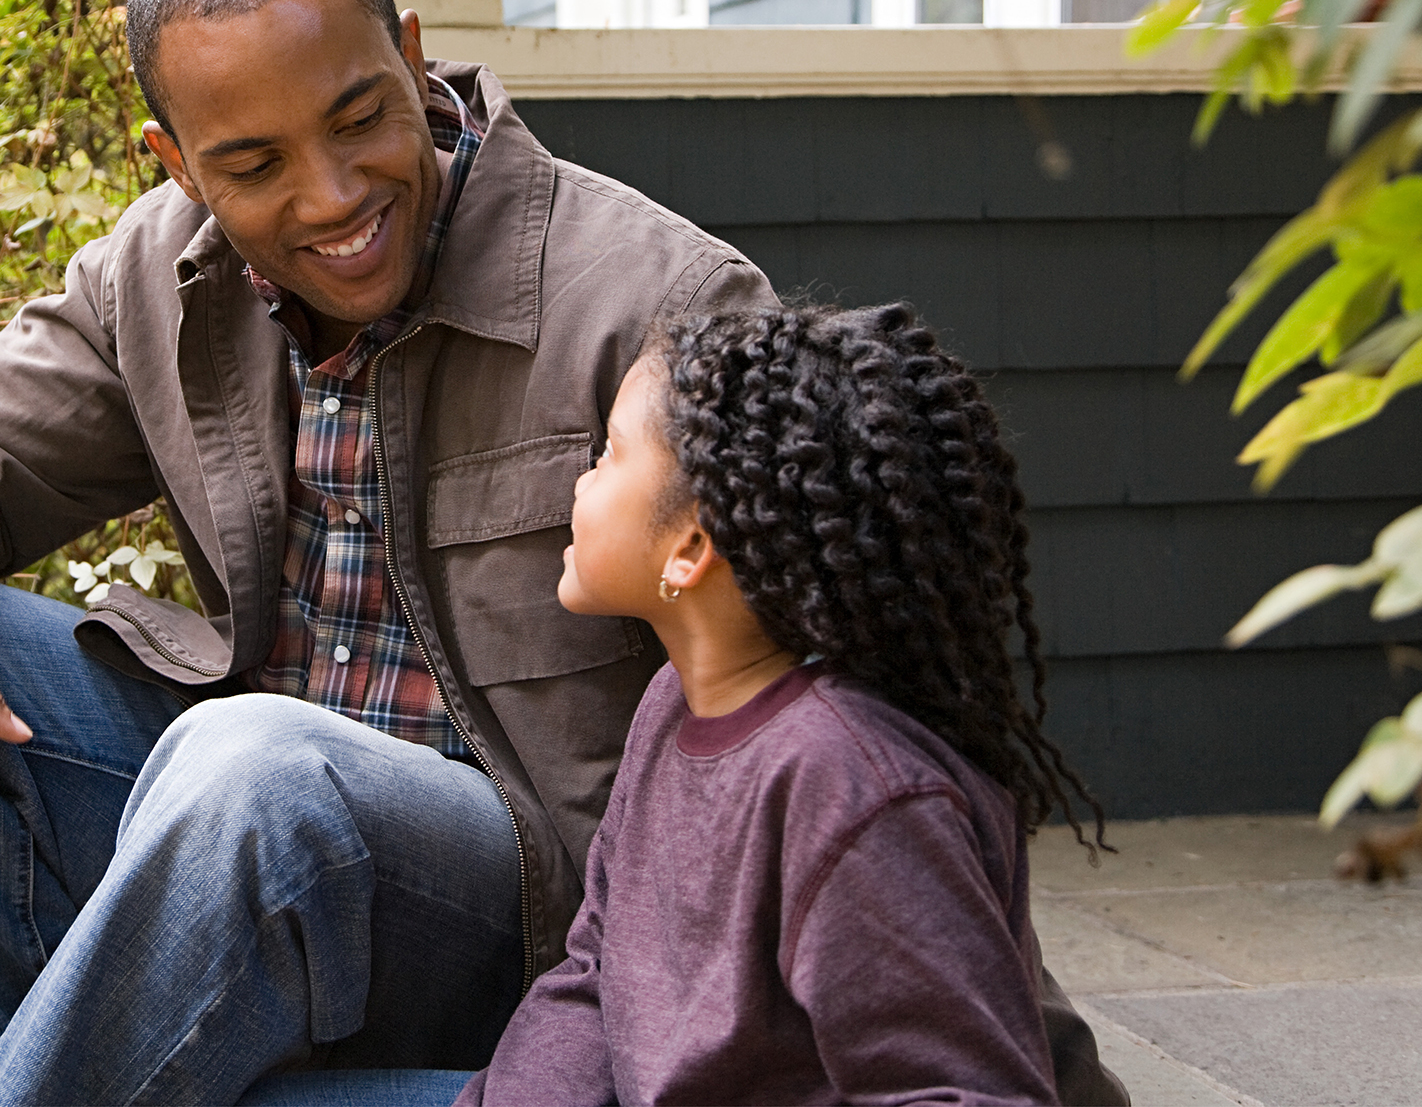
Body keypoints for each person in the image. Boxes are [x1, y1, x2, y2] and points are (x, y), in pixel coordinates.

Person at [0, 0, 1127, 1106]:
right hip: (257, 874)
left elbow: (871, 732)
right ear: (177, 162)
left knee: (255, 773)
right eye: (252, 164)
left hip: (543, 937)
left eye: (361, 116)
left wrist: (1022, 1057)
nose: (333, 193)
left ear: (413, 56)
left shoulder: (656, 306)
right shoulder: (159, 282)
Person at [441, 304, 1107, 1106]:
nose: (580, 477)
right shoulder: (670, 708)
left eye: (610, 453)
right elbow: (593, 976)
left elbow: (962, 1092)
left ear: (691, 548)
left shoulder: (853, 787)